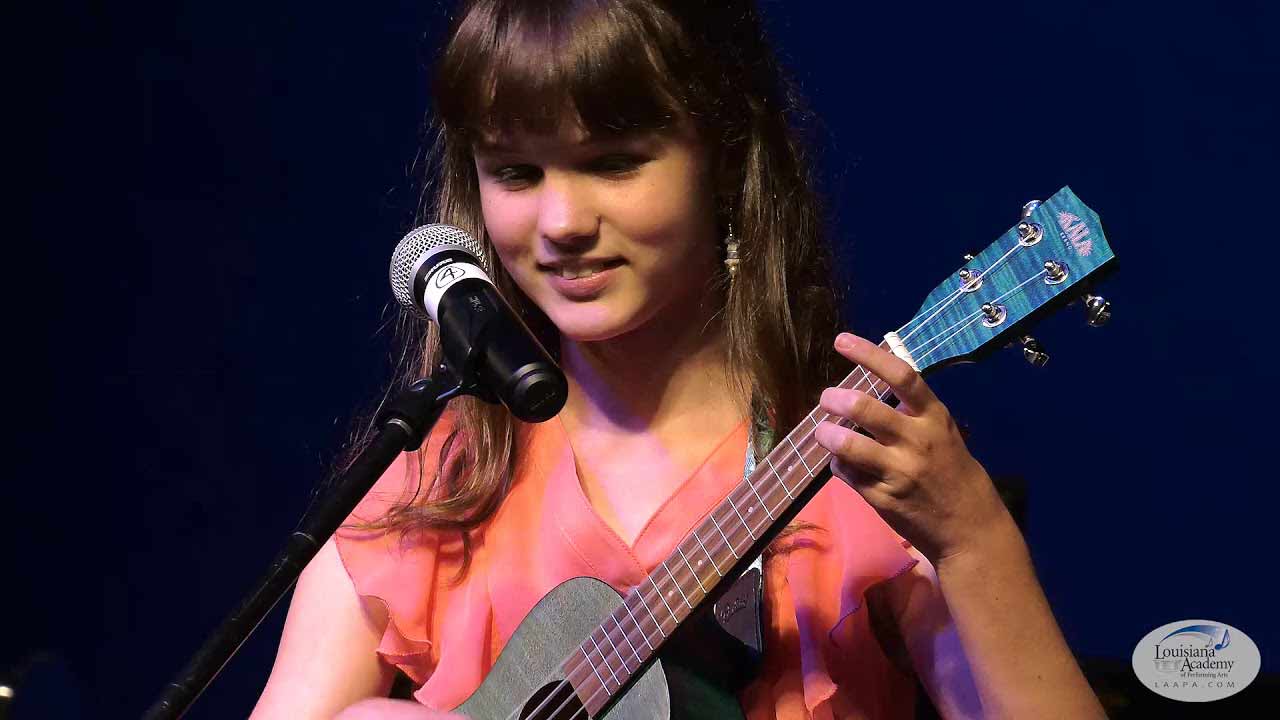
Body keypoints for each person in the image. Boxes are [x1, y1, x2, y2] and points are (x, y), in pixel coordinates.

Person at [251, 1, 1105, 718]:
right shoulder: (431, 488)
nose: (560, 223)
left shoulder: (866, 476)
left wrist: (973, 538)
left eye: (614, 163)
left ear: (725, 162)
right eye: (514, 171)